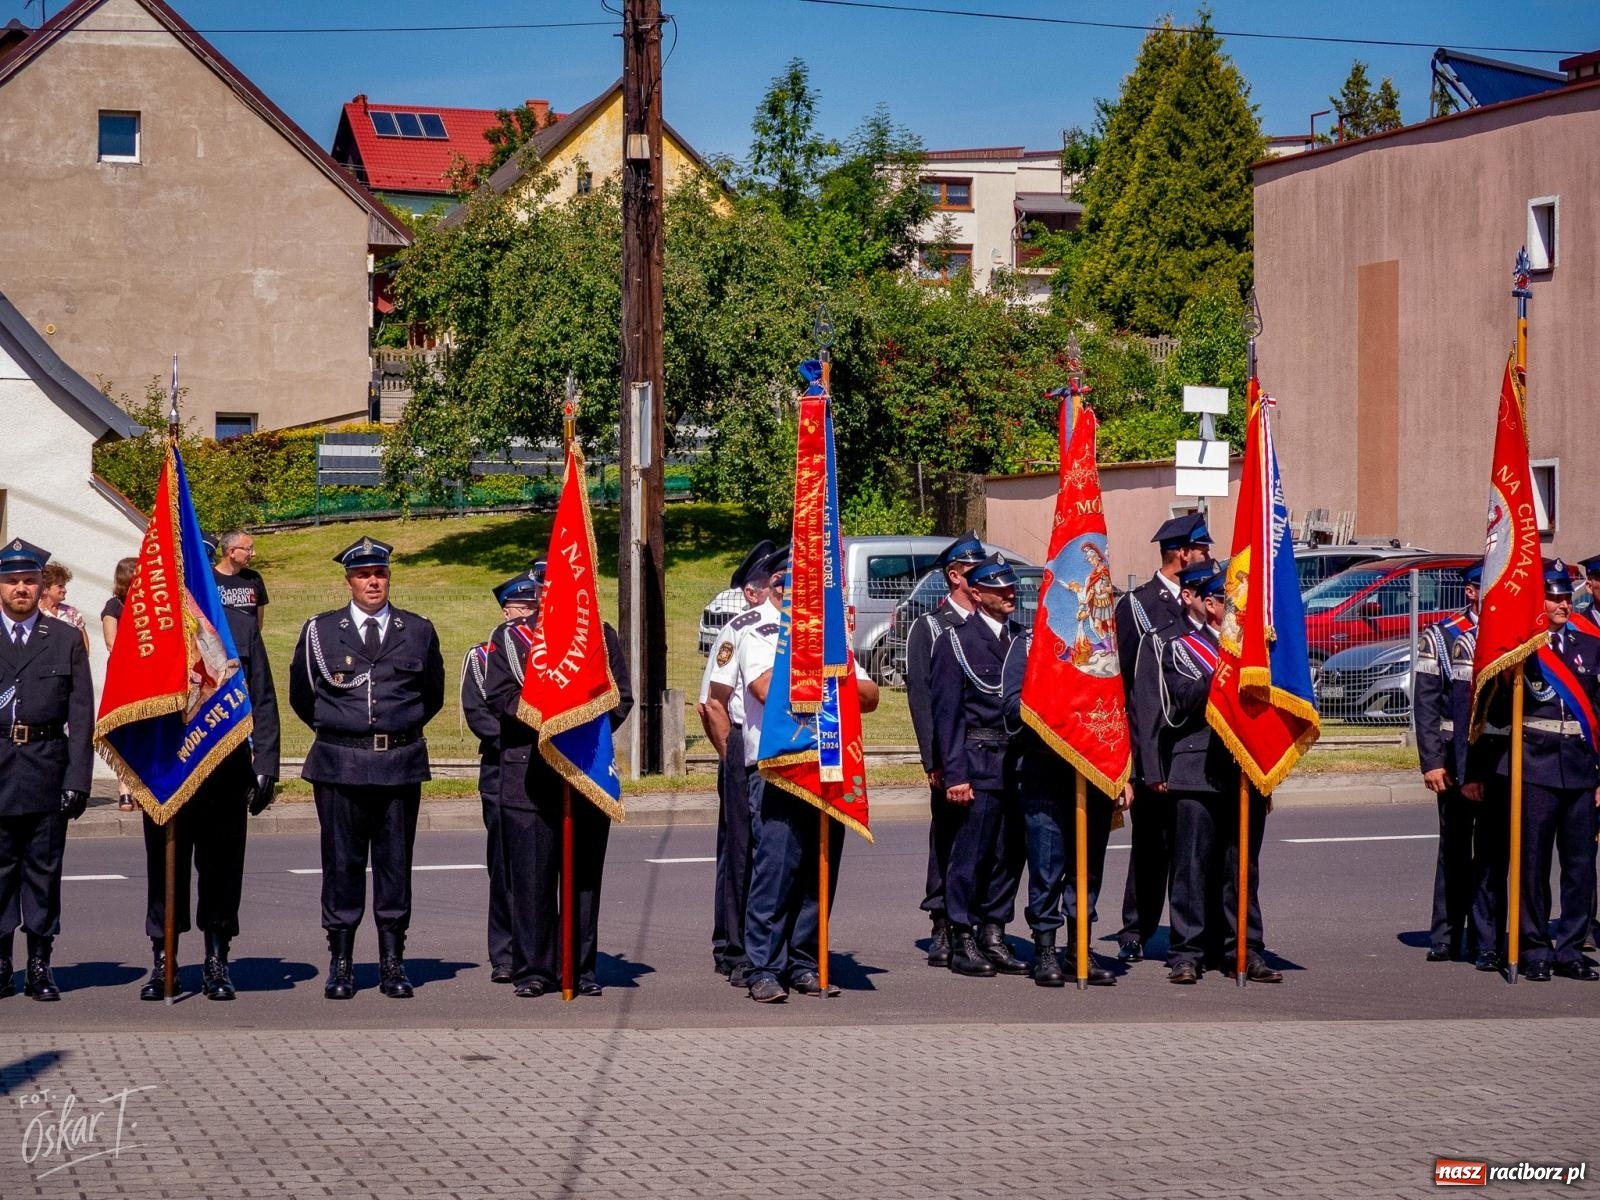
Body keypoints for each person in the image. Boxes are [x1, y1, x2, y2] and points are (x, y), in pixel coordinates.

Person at [288, 536, 444, 1000]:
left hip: (398, 763)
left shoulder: (416, 630)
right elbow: (303, 694)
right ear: (348, 581)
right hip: (339, 763)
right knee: (342, 865)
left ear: (388, 578)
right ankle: (341, 961)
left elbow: (430, 695)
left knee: (396, 865)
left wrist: (395, 732)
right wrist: (346, 730)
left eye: (379, 574)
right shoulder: (321, 631)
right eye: (363, 575)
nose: (372, 582)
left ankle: (393, 962)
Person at [740, 546, 881, 1003]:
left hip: (827, 766)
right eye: (788, 586)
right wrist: (828, 684)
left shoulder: (829, 638)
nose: (795, 594)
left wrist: (827, 681)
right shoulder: (757, 632)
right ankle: (763, 966)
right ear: (778, 588)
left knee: (818, 872)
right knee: (776, 872)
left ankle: (805, 961)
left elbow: (869, 692)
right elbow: (766, 689)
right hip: (780, 768)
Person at [482, 588, 632, 998]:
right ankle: (534, 969)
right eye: (548, 592)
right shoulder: (512, 637)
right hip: (528, 773)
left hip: (585, 772)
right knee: (531, 880)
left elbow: (621, 697)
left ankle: (580, 968)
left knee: (582, 879)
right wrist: (549, 722)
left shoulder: (601, 636)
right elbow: (497, 694)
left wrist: (579, 731)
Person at [1137, 562, 1281, 985]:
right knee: (1191, 867)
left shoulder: (1258, 654)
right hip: (1196, 768)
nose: (1239, 612)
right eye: (1232, 603)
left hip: (1245, 769)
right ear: (1213, 606)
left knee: (1241, 867)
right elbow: (1180, 701)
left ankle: (1244, 948)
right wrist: (1225, 668)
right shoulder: (1183, 647)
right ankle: (1187, 952)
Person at [138, 605, 280, 1001]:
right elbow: (130, 693)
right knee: (165, 870)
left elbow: (262, 696)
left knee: (222, 869)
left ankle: (217, 960)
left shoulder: (237, 623)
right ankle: (165, 959)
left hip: (225, 768)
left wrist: (266, 762)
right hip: (167, 769)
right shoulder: (150, 622)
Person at [1483, 560, 1600, 982]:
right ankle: (1534, 947)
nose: (1563, 603)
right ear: (1539, 600)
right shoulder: (1523, 649)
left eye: (1567, 596)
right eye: (1554, 596)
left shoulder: (1591, 646)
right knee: (1532, 865)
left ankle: (1570, 948)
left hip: (1581, 769)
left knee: (1581, 866)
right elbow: (1497, 713)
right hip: (1535, 767)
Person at [1002, 621, 1131, 986]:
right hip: (1045, 770)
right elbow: (1011, 707)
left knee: (1087, 869)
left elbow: (1124, 707)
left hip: (1096, 770)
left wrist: (1124, 771)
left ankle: (1079, 947)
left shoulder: (1106, 646)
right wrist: (1061, 700)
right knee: (1047, 866)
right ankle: (1045, 949)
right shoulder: (1029, 645)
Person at [1113, 511, 1212, 963]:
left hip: (1195, 752)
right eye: (1202, 550)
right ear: (1181, 553)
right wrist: (1138, 762)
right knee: (1151, 846)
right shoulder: (1136, 605)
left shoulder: (1207, 599)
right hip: (1153, 745)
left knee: (1195, 849)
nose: (1208, 556)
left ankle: (1197, 932)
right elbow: (1133, 689)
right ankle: (1137, 926)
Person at [929, 553, 1029, 979]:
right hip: (978, 761)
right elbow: (947, 715)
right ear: (977, 591)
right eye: (1000, 588)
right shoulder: (955, 641)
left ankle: (994, 931)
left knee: (1010, 856)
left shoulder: (1023, 639)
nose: (1010, 594)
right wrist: (956, 775)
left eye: (1012, 587)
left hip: (1018, 765)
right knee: (970, 856)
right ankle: (961, 935)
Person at [0, 539, 93, 1001]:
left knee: (43, 870)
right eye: (13, 581)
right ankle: (1, 962)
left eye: (30, 580)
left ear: (42, 584)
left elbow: (81, 714)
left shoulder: (64, 637)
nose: (22, 588)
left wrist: (78, 779)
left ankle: (40, 962)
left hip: (46, 768)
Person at [460, 566, 544, 985]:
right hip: (502, 768)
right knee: (507, 866)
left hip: (548, 764)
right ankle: (506, 953)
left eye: (533, 606)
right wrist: (522, 740)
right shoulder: (483, 656)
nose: (525, 614)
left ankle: (543, 950)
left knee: (543, 867)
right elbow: (480, 715)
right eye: (519, 607)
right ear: (504, 610)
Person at [904, 530, 985, 967]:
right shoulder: (931, 626)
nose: (982, 579)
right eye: (974, 571)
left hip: (988, 752)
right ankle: (941, 923)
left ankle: (979, 922)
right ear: (954, 576)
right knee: (949, 838)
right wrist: (933, 761)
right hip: (950, 753)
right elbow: (922, 698)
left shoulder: (992, 623)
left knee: (985, 842)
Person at [699, 539, 775, 984]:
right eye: (775, 581)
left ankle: (770, 944)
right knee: (740, 854)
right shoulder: (740, 629)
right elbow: (712, 704)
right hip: (742, 752)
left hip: (780, 752)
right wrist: (732, 758)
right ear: (752, 592)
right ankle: (734, 948)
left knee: (773, 854)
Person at [1413, 563, 1481, 961]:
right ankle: (1447, 934)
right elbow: (1425, 705)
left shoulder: (1512, 632)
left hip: (1499, 757)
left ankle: (1490, 934)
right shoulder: (1440, 636)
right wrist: (1431, 761)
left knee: (1496, 851)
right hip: (1455, 755)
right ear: (1470, 592)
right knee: (1455, 848)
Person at [101, 556, 139, 812]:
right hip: (125, 676)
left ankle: (143, 786)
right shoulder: (114, 606)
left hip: (150, 677)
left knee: (144, 733)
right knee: (125, 732)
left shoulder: (147, 605)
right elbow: (111, 643)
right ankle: (125, 788)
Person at [213, 530, 269, 629]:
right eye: (249, 549)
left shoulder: (254, 578)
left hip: (251, 644)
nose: (254, 554)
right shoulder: (209, 581)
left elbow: (258, 624)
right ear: (232, 552)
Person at [38, 563, 89, 651]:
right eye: (60, 586)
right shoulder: (34, 611)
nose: (65, 590)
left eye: (64, 586)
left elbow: (84, 648)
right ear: (45, 588)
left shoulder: (71, 613)